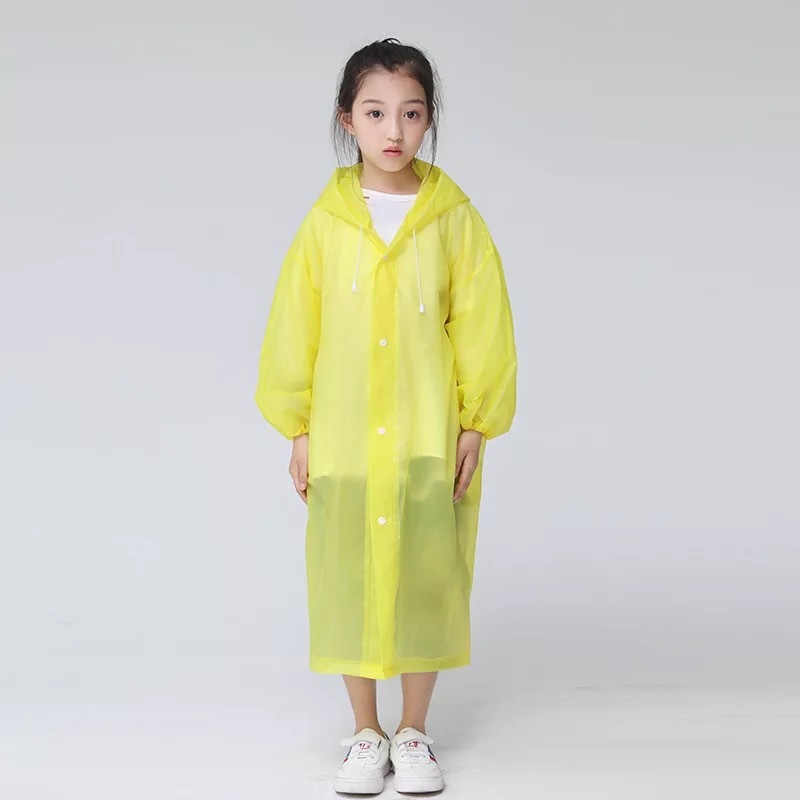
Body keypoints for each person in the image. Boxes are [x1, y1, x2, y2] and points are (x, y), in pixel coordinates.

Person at [255, 37, 517, 795]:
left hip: (426, 431)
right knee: (347, 573)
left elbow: (483, 325)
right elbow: (295, 327)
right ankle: (366, 731)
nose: (393, 130)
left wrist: (475, 422)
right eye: (375, 113)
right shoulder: (326, 223)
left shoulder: (454, 220)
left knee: (428, 573)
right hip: (343, 434)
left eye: (410, 112)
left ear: (429, 119)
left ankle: (415, 730)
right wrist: (299, 428)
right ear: (348, 119)